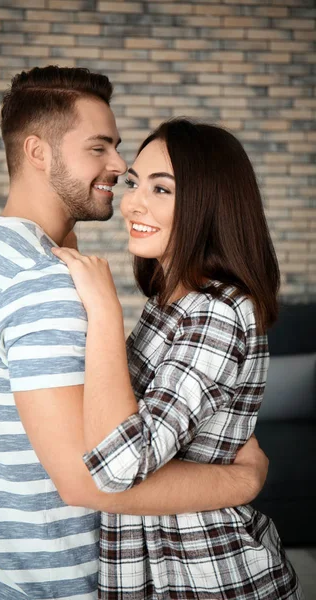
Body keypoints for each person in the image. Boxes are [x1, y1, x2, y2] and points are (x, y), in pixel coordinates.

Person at [0, 66, 269, 600]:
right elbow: (91, 480)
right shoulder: (45, 282)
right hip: (49, 583)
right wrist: (242, 480)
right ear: (38, 152)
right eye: (100, 148)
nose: (118, 166)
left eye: (119, 151)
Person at [53, 118, 304, 599]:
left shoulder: (217, 312)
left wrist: (105, 311)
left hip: (203, 573)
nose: (132, 203)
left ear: (210, 205)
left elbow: (119, 466)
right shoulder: (172, 302)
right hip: (154, 565)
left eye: (162, 189)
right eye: (134, 183)